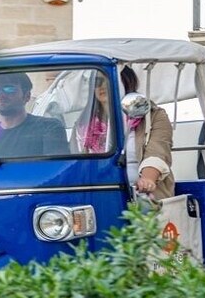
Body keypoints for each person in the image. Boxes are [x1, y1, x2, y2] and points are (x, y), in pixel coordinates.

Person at [0, 72, 68, 158]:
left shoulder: (49, 128)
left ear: (27, 96)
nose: (0, 95)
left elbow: (57, 170)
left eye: (9, 88)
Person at [120, 66, 175, 200]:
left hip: (142, 195)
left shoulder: (154, 116)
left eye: (107, 81)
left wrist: (147, 180)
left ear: (126, 83)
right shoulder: (86, 123)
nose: (100, 87)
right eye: (96, 82)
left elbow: (158, 151)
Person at [74, 72, 112, 154]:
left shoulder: (131, 120)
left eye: (109, 81)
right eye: (98, 81)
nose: (104, 85)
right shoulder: (82, 124)